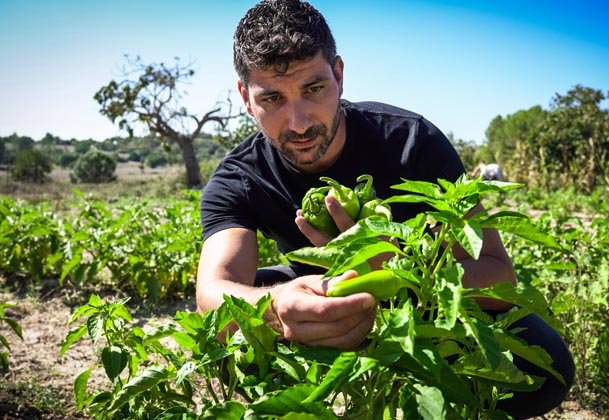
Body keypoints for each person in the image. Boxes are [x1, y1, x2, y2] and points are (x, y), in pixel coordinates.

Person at [196, 1, 574, 418]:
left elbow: (497, 271)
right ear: (245, 98)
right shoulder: (239, 178)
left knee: (547, 366)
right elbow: (212, 292)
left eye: (314, 89)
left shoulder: (412, 141)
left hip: (426, 298)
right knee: (245, 308)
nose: (299, 122)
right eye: (273, 98)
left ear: (338, 75)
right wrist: (277, 307)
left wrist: (391, 269)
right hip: (326, 297)